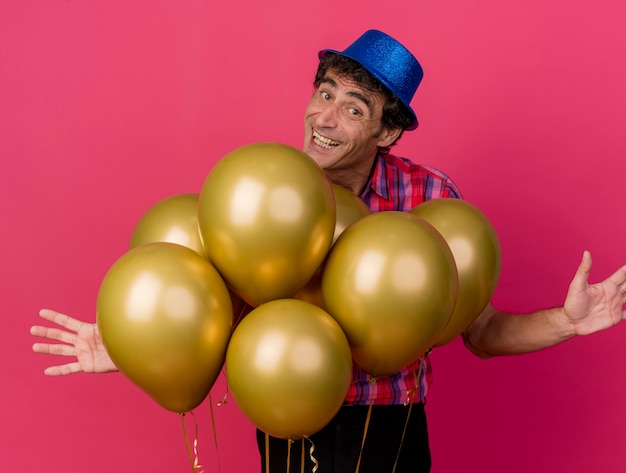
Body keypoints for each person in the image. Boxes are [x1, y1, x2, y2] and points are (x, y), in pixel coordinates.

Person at [31, 30, 626, 473]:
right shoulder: (259, 194)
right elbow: (207, 310)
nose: (324, 117)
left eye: (353, 108)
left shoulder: (430, 197)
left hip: (389, 431)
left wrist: (566, 324)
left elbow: (480, 330)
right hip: (285, 417)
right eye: (324, 93)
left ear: (385, 133)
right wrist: (133, 347)